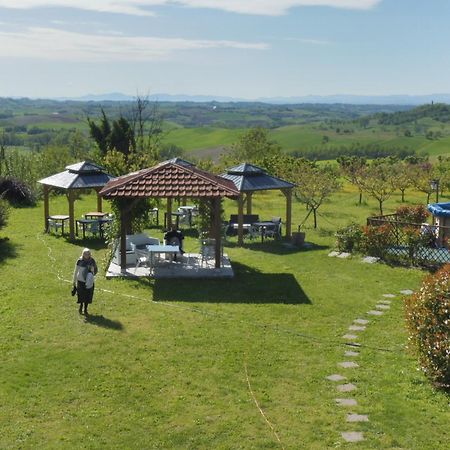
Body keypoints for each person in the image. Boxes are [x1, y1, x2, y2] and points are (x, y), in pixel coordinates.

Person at [72, 248, 98, 315]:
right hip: (80, 281)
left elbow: (95, 270)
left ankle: (85, 309)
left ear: (90, 254)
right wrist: (74, 281)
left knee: (87, 295)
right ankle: (81, 306)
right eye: (85, 254)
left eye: (88, 254)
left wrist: (91, 272)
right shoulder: (80, 261)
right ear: (83, 254)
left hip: (89, 281)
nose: (87, 255)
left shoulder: (92, 261)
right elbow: (76, 271)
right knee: (80, 295)